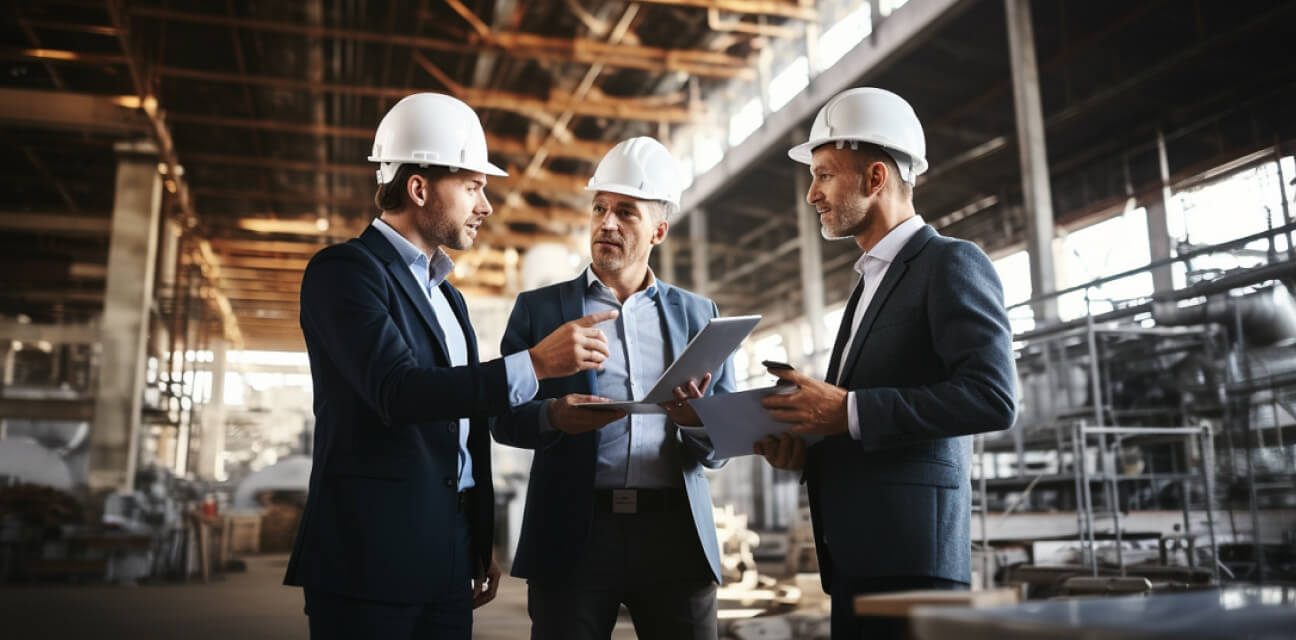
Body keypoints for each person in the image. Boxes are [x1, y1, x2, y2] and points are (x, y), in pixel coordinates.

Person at [284, 92, 617, 640]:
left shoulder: (449, 297)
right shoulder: (345, 273)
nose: (485, 205)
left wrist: (474, 535)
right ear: (418, 188)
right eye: (472, 187)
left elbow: (462, 422)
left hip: (447, 555)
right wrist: (532, 364)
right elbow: (398, 391)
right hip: (370, 558)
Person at [755, 88, 1018, 638]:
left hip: (913, 560)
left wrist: (847, 410)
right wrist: (806, 449)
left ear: (875, 179)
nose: (812, 195)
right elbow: (858, 420)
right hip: (856, 558)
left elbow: (993, 396)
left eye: (824, 174)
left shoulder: (950, 263)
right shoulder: (868, 283)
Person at [492, 137, 734, 640]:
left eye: (626, 212)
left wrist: (698, 424)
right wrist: (553, 415)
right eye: (600, 208)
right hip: (574, 532)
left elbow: (721, 445)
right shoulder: (539, 311)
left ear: (659, 230)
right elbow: (501, 417)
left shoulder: (698, 316)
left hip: (675, 536)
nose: (606, 223)